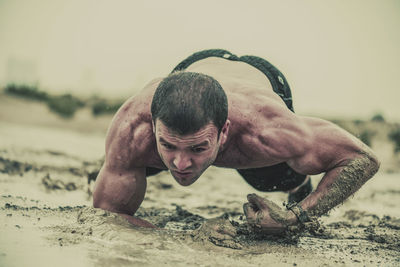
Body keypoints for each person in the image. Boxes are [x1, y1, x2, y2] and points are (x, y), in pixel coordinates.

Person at [93, 49, 380, 233]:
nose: (180, 163)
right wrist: (190, 238)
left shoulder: (267, 129)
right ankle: (130, 160)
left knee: (272, 179)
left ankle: (296, 183)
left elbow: (362, 159)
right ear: (153, 125)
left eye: (198, 147)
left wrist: (296, 216)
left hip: (258, 82)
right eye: (168, 144)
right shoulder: (133, 126)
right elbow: (106, 215)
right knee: (132, 158)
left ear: (224, 132)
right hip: (193, 70)